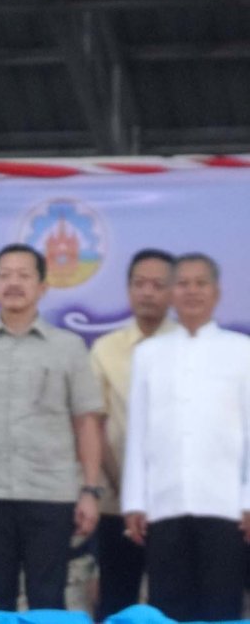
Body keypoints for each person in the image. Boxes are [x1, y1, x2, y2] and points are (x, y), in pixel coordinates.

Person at [0, 244, 103, 611]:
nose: (14, 283)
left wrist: (90, 490)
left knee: (48, 601)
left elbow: (86, 423)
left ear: (42, 287)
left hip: (51, 494)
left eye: (24, 275)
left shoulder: (69, 347)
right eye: (5, 275)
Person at [122, 253, 250, 622]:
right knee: (168, 608)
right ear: (171, 294)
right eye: (183, 284)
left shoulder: (241, 350)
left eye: (201, 283)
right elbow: (138, 432)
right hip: (164, 503)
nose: (192, 291)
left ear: (217, 292)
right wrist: (135, 501)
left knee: (221, 609)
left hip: (225, 505)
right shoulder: (148, 354)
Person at [90, 249, 175, 620]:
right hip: (117, 503)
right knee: (117, 600)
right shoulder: (106, 349)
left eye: (158, 285)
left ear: (173, 291)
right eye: (140, 284)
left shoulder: (191, 347)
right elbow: (95, 424)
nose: (147, 292)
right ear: (128, 290)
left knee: (174, 600)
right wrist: (127, 488)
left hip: (177, 502)